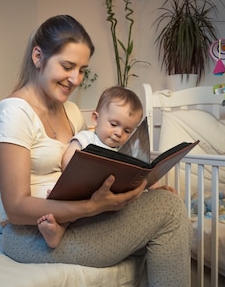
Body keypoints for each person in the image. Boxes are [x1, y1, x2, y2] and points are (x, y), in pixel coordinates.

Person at [0, 14, 204, 287]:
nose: (75, 79)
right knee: (168, 216)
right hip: (28, 233)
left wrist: (140, 184)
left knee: (163, 212)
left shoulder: (70, 111)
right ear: (38, 56)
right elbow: (16, 206)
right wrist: (94, 208)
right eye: (67, 66)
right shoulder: (12, 112)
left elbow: (85, 170)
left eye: (82, 70)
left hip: (69, 219)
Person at [37, 85, 145, 248]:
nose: (118, 133)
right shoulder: (87, 138)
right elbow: (68, 159)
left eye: (127, 130)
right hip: (83, 190)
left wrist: (157, 184)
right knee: (69, 204)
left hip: (108, 201)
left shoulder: (125, 150)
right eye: (114, 124)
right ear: (95, 118)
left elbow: (142, 172)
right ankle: (56, 230)